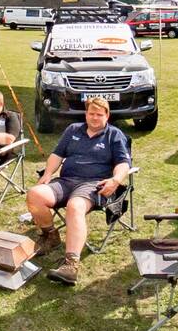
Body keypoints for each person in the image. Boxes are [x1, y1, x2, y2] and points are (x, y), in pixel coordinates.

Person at [27, 95, 134, 286]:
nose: (94, 117)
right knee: (35, 194)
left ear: (107, 116)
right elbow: (57, 154)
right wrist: (48, 173)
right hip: (66, 180)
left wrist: (116, 180)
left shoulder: (114, 135)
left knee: (75, 206)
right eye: (91, 113)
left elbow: (123, 163)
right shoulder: (73, 130)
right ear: (86, 114)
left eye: (99, 114)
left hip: (93, 185)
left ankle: (71, 265)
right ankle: (50, 235)